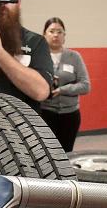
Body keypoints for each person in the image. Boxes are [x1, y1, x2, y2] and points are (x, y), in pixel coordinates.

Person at [39, 17, 91, 152]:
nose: (55, 35)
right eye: (51, 31)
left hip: (70, 115)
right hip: (45, 113)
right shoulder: (38, 56)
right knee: (47, 153)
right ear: (44, 35)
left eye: (59, 32)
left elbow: (85, 86)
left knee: (66, 153)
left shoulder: (74, 56)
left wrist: (62, 89)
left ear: (64, 36)